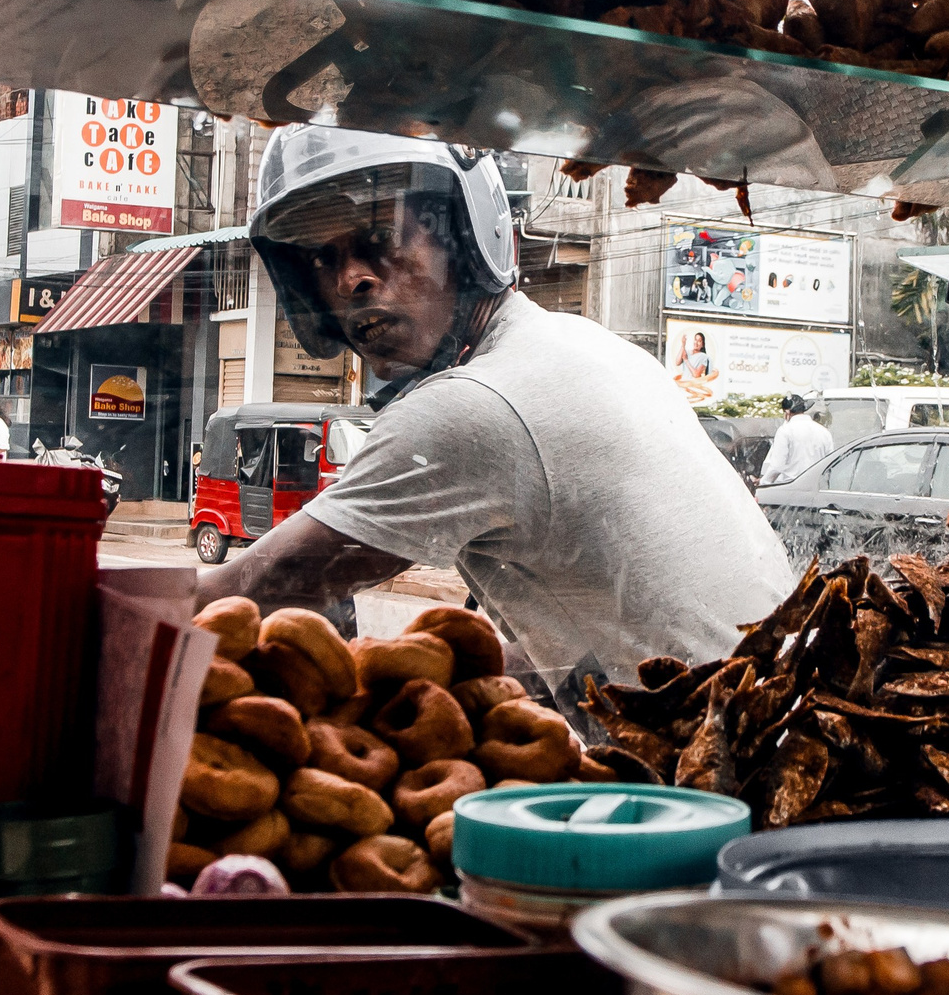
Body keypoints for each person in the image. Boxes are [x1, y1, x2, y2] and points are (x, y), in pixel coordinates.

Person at [193, 127, 793, 691]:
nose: (351, 279)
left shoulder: (472, 407)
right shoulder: (586, 346)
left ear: (463, 239)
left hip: (725, 755)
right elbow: (603, 635)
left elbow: (243, 594)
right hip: (781, 720)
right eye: (322, 258)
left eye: (379, 238)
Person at [759, 393, 834, 485]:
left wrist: (763, 482)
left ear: (787, 412)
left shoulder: (785, 431)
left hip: (791, 486)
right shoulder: (824, 432)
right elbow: (830, 463)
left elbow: (777, 466)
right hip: (817, 486)